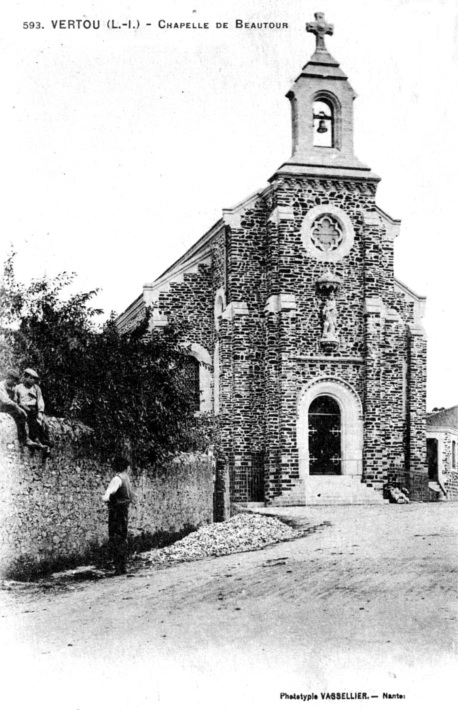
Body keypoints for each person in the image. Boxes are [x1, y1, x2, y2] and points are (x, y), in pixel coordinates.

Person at [102, 455, 134, 575]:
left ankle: (118, 567)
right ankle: (122, 566)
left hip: (116, 512)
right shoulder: (126, 478)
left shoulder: (117, 479)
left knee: (115, 538)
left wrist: (105, 498)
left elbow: (110, 492)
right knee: (122, 538)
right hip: (124, 511)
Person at [14, 368, 51, 448]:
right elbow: (15, 400)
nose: (33, 380)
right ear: (26, 377)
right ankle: (35, 439)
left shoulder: (36, 388)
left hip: (34, 408)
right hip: (23, 407)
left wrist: (40, 412)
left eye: (34, 378)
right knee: (29, 419)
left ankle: (43, 439)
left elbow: (40, 400)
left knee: (41, 422)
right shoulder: (18, 387)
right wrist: (19, 406)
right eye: (31, 378)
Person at [0, 368, 29, 444]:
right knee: (17, 414)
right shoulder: (1, 386)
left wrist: (22, 406)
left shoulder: (13, 387)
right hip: (2, 407)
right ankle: (23, 439)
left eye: (16, 381)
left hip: (9, 406)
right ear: (8, 378)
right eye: (14, 380)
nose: (15, 383)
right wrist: (17, 406)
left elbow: (15, 400)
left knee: (28, 410)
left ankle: (31, 437)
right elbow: (5, 400)